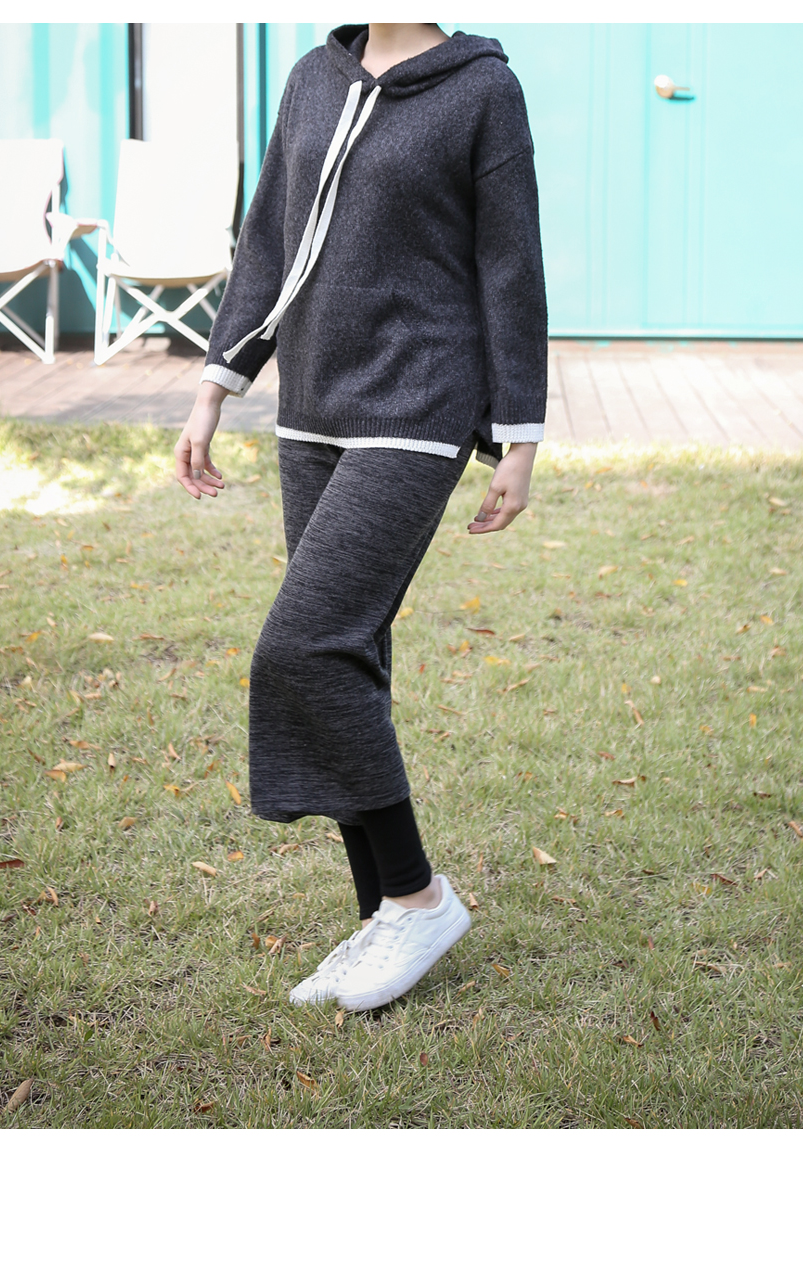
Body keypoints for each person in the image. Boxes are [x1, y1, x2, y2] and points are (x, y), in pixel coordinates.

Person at [174, 23, 547, 1013]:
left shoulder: (481, 90)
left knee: (303, 648)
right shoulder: (313, 76)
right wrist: (215, 387)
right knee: (349, 655)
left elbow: (509, 262)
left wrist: (518, 435)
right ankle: (384, 913)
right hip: (312, 405)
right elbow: (268, 237)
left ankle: (418, 897)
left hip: (420, 403)